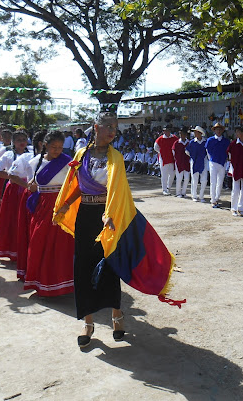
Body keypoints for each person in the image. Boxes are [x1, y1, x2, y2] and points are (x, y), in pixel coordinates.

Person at [53, 112, 179, 348]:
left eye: (115, 127)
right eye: (108, 126)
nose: (112, 131)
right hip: (86, 218)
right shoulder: (81, 155)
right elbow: (79, 186)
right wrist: (65, 205)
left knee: (110, 267)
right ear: (96, 127)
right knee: (83, 268)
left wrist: (110, 215)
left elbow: (118, 192)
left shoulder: (117, 158)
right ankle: (88, 323)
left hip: (109, 220)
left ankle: (116, 316)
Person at [23, 131, 74, 296]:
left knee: (60, 244)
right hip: (42, 206)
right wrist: (32, 185)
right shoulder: (34, 162)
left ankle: (61, 284)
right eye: (53, 147)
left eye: (60, 147)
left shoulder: (68, 162)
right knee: (39, 241)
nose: (57, 150)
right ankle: (40, 282)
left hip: (61, 206)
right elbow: (33, 182)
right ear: (45, 145)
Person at [7, 130, 46, 280]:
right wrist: (27, 186)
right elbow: (12, 175)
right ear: (41, 144)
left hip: (49, 201)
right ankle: (29, 269)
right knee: (30, 234)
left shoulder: (55, 160)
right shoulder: (27, 158)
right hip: (32, 199)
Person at [0, 129, 30, 262]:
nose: (22, 143)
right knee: (13, 220)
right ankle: (12, 250)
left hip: (28, 189)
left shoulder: (31, 153)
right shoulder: (8, 155)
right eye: (19, 140)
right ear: (13, 142)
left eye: (24, 140)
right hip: (13, 191)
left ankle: (25, 250)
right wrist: (12, 176)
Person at [206, 122, 230, 208]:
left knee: (220, 182)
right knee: (213, 181)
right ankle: (213, 199)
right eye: (217, 129)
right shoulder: (210, 140)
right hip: (213, 162)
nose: (218, 131)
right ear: (214, 130)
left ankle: (217, 197)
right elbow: (207, 151)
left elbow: (228, 152)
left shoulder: (226, 141)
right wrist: (211, 160)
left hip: (222, 163)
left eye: (220, 129)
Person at [153, 124, 178, 195]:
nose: (166, 132)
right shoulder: (160, 139)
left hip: (172, 159)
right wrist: (161, 153)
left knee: (172, 174)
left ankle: (168, 187)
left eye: (167, 130)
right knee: (164, 175)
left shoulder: (174, 138)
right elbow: (156, 147)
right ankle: (164, 189)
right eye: (165, 131)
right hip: (163, 159)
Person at [186, 126, 209, 203]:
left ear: (200, 133)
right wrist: (193, 157)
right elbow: (187, 151)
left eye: (196, 132)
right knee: (194, 179)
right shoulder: (192, 142)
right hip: (194, 161)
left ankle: (201, 195)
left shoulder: (205, 142)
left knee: (204, 180)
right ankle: (194, 195)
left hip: (203, 161)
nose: (195, 133)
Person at [173, 129, 191, 198]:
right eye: (180, 134)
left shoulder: (188, 143)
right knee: (179, 178)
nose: (181, 135)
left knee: (186, 178)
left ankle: (184, 192)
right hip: (179, 162)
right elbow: (173, 152)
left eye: (183, 134)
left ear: (186, 135)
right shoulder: (176, 143)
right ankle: (178, 193)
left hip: (186, 162)